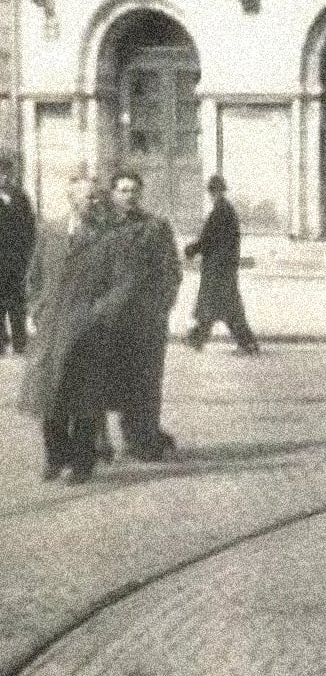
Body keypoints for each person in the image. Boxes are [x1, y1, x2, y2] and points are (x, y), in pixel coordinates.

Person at [20, 173, 112, 482]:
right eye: (88, 197)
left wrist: (96, 314)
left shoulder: (104, 236)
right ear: (71, 198)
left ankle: (82, 463)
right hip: (52, 328)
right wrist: (36, 307)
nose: (94, 202)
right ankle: (55, 457)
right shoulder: (50, 230)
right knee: (50, 396)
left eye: (96, 197)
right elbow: (33, 275)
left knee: (84, 399)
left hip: (88, 328)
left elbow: (114, 283)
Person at [101, 170, 182, 461]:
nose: (129, 196)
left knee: (146, 382)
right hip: (108, 319)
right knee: (103, 380)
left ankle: (142, 438)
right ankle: (100, 443)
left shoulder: (156, 227)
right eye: (123, 190)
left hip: (146, 320)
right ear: (113, 193)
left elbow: (171, 271)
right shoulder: (101, 227)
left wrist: (161, 306)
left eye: (134, 190)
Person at [182, 175, 257, 353]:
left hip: (218, 267)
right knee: (215, 305)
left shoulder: (220, 211)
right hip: (222, 265)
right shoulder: (225, 209)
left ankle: (246, 343)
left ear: (214, 192)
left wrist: (191, 249)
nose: (212, 195)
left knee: (224, 307)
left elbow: (208, 238)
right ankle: (197, 339)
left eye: (213, 192)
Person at [0, 154, 37, 354]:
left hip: (15, 259)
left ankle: (19, 342)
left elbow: (30, 227)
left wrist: (28, 255)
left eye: (5, 173)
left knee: (16, 302)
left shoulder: (20, 197)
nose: (3, 178)